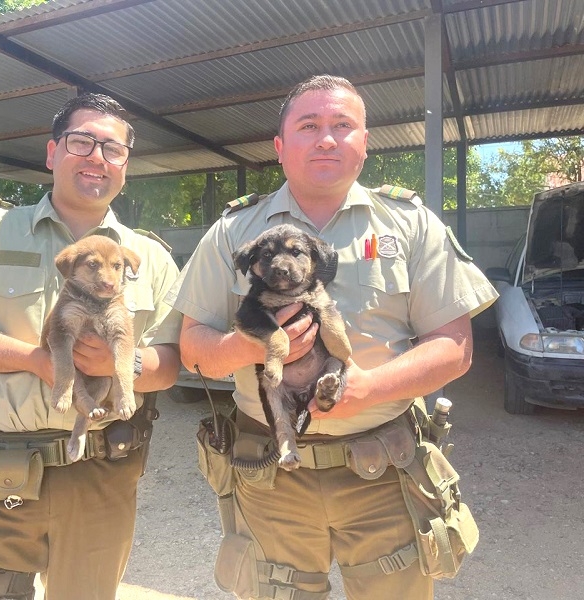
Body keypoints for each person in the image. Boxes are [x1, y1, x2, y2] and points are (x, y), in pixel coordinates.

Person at [166, 75, 498, 600]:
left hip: (383, 472)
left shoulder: (410, 224)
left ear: (364, 142)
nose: (326, 138)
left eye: (343, 125)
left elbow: (455, 347)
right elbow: (191, 346)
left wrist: (367, 389)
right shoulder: (233, 232)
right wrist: (247, 347)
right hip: (268, 475)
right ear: (279, 147)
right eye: (309, 125)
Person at [0, 93, 182, 600]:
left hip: (103, 470)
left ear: (124, 167)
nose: (97, 156)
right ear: (53, 153)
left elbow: (173, 362)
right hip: (0, 470)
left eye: (112, 149)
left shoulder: (150, 258)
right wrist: (38, 360)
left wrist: (127, 362)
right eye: (82, 142)